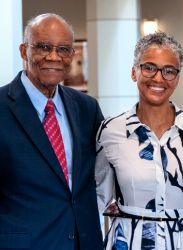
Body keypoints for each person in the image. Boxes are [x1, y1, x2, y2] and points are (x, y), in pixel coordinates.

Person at [95, 31, 183, 250]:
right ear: (133, 72)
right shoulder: (111, 131)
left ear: (177, 78)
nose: (158, 78)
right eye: (149, 67)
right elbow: (97, 196)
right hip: (127, 242)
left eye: (169, 71)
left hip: (182, 242)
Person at [0, 14, 103, 250]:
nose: (53, 57)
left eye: (63, 49)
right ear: (24, 51)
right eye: (43, 47)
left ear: (72, 55)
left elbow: (115, 159)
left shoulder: (87, 108)